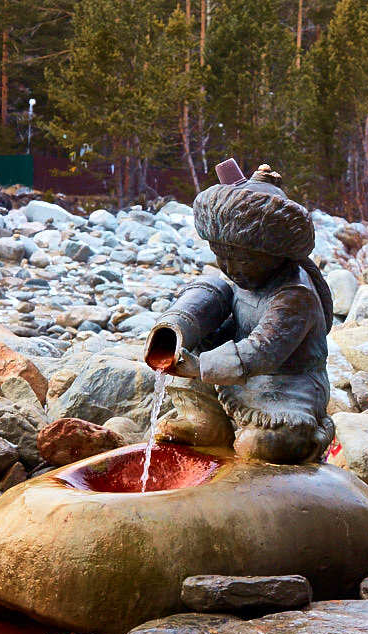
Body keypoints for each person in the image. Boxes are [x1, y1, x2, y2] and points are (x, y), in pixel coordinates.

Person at [143, 161, 334, 464]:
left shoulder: (295, 295)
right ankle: (206, 423)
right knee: (207, 301)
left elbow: (263, 350)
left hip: (287, 387)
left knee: (261, 445)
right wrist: (178, 331)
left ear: (276, 254)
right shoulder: (245, 280)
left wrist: (199, 366)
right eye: (222, 257)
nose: (232, 269)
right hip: (237, 373)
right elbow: (226, 320)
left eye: (244, 261)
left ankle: (314, 436)